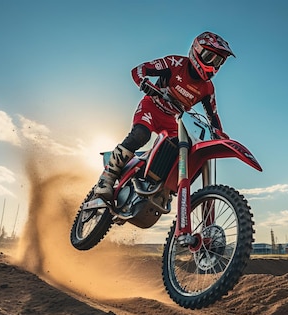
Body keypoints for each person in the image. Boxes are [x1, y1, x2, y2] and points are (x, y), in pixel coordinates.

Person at [94, 31, 235, 201]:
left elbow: (213, 116)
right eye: (209, 56)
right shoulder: (174, 63)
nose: (213, 64)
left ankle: (164, 189)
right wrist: (143, 83)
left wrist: (220, 134)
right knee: (141, 134)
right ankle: (106, 179)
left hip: (172, 120)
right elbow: (139, 70)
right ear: (196, 51)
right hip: (151, 108)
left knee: (185, 152)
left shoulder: (208, 89)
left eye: (219, 60)